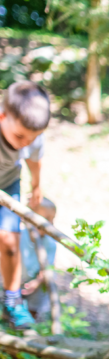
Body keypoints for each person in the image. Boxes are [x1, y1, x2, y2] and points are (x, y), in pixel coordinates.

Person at [0, 81, 50, 329]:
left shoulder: (30, 137)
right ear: (2, 116)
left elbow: (34, 160)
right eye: (19, 136)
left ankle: (12, 300)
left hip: (8, 186)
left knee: (10, 240)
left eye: (31, 138)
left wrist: (37, 186)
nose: (24, 143)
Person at [20, 198, 58, 320]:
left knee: (44, 286)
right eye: (47, 219)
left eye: (53, 219)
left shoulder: (50, 243)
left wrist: (36, 282)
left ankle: (30, 320)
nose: (50, 223)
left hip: (35, 281)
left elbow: (48, 267)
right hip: (16, 278)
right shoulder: (19, 235)